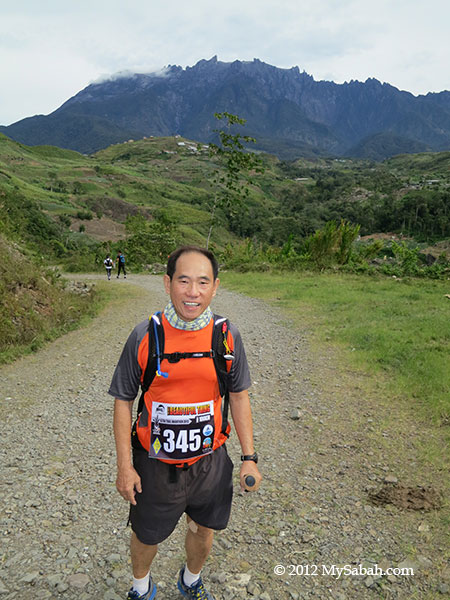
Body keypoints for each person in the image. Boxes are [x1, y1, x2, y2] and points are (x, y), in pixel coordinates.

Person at [109, 245, 261, 600]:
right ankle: (141, 588)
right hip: (155, 465)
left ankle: (190, 581)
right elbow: (122, 401)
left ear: (215, 287)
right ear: (167, 283)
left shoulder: (226, 337)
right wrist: (125, 466)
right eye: (184, 281)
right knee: (146, 535)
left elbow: (239, 397)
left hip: (210, 462)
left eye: (202, 282)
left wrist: (249, 457)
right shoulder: (145, 335)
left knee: (204, 529)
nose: (193, 292)